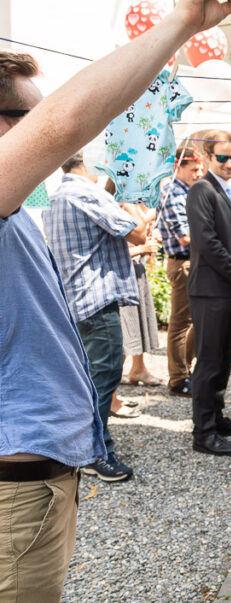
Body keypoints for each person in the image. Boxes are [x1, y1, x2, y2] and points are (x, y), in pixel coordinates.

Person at [0, 0, 231, 601]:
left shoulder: (18, 206)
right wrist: (181, 24)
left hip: (31, 477)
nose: (42, 131)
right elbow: (66, 124)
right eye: (26, 116)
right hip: (14, 488)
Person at [44, 152, 148, 482]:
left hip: (74, 300)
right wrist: (129, 196)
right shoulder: (87, 193)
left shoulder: (57, 196)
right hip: (97, 299)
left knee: (87, 378)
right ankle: (96, 453)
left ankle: (80, 447)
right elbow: (138, 233)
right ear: (88, 163)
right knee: (103, 378)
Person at [186, 129, 231, 456]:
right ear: (206, 157)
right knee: (209, 361)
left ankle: (216, 419)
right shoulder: (201, 190)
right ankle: (203, 432)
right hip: (211, 290)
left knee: (225, 357)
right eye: (223, 157)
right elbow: (207, 242)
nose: (230, 163)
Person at [156, 140, 206, 397]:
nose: (198, 174)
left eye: (200, 169)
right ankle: (178, 378)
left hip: (193, 261)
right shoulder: (172, 192)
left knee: (196, 320)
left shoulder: (187, 190)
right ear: (179, 167)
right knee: (181, 322)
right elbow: (185, 236)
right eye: (193, 169)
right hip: (183, 262)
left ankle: (185, 371)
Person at [116, 199, 164, 388]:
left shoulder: (135, 205)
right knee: (125, 327)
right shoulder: (119, 207)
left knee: (136, 323)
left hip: (136, 269)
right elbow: (112, 251)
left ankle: (138, 368)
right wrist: (142, 248)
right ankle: (113, 383)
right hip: (122, 273)